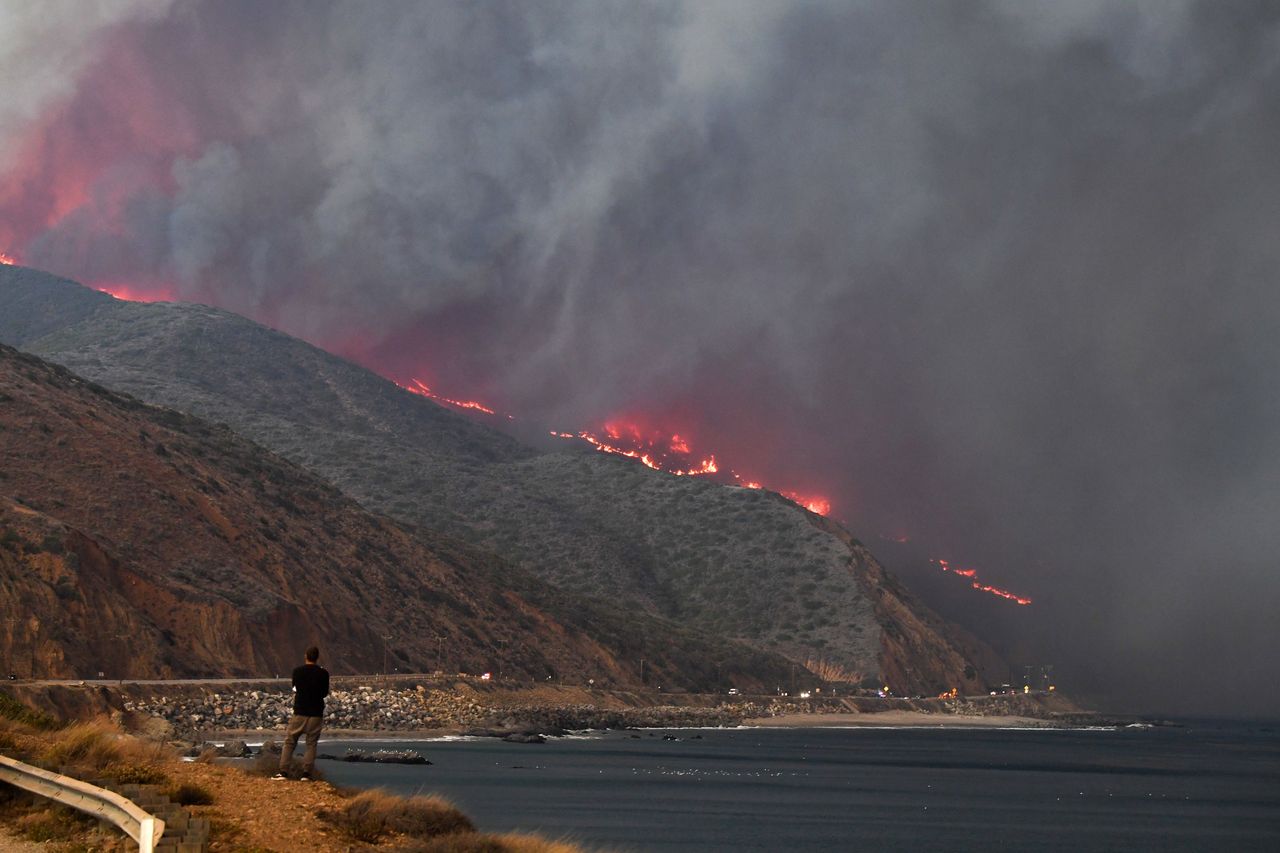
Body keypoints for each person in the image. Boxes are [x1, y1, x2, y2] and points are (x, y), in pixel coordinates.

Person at [273, 645, 329, 780]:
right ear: (317, 658)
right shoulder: (323, 673)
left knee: (290, 742)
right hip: (316, 713)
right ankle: (306, 774)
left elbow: (294, 688)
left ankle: (283, 772)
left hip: (300, 711)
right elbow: (324, 693)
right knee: (311, 744)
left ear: (306, 656)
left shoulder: (297, 671)